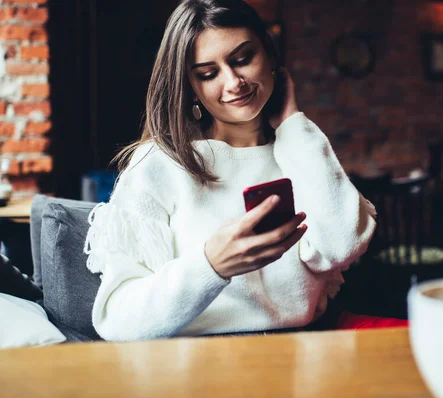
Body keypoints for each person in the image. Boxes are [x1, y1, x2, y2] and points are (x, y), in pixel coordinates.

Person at [83, 0, 383, 341]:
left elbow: (342, 245)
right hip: (202, 360)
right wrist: (212, 265)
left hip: (304, 348)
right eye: (208, 74)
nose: (234, 82)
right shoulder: (158, 165)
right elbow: (118, 319)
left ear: (269, 54)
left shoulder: (300, 152)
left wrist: (292, 123)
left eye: (243, 59)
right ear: (190, 86)